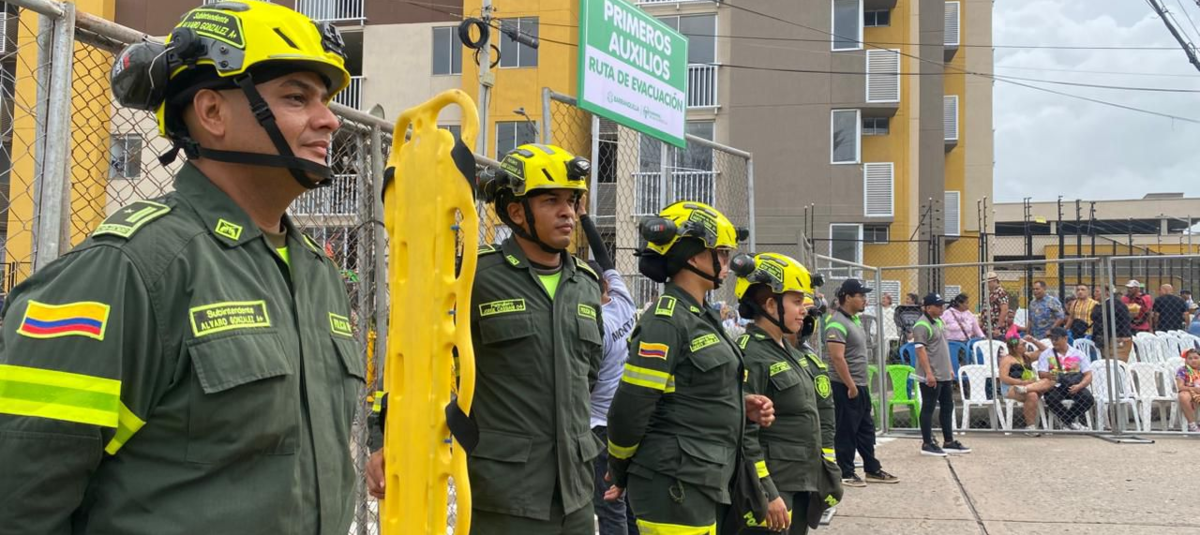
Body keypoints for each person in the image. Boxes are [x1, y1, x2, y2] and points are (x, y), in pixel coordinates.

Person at [0, 4, 362, 532]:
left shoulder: (316, 271)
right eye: (296, 97)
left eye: (324, 100)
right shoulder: (131, 269)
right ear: (212, 113)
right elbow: (20, 500)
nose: (329, 119)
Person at [604, 201, 773, 534]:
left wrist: (741, 404)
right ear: (694, 257)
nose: (727, 262)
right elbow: (632, 406)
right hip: (673, 484)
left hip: (701, 480)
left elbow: (688, 389)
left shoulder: (702, 316)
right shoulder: (666, 321)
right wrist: (619, 468)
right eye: (721, 252)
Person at [734, 253, 834, 534]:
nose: (804, 310)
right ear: (770, 304)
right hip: (773, 490)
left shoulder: (791, 353)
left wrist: (826, 472)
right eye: (797, 302)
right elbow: (744, 434)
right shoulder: (751, 354)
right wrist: (766, 492)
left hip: (798, 483)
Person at [580, 209, 640, 535]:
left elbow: (584, 383)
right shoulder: (623, 300)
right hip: (628, 421)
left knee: (609, 507)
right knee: (628, 503)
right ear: (605, 283)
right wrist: (585, 219)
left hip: (599, 426)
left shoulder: (594, 327)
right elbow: (604, 257)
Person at [824, 279, 899, 487]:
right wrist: (850, 385)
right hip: (845, 386)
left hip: (859, 384)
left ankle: (872, 469)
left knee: (866, 429)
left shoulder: (854, 320)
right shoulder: (836, 323)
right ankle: (846, 472)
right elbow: (837, 358)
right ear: (848, 297)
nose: (865, 299)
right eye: (861, 296)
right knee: (846, 430)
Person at [913, 293, 971, 456]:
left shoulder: (939, 321)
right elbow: (920, 350)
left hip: (944, 372)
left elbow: (942, 346)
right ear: (928, 307)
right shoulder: (921, 325)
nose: (941, 308)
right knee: (928, 407)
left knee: (947, 406)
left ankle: (948, 441)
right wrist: (929, 373)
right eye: (938, 306)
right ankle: (927, 443)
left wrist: (949, 368)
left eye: (942, 305)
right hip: (932, 374)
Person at [1036, 328, 1095, 431]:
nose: (1054, 342)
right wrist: (1056, 376)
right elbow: (1041, 373)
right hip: (1056, 385)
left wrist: (1079, 386)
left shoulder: (1078, 354)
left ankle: (1066, 421)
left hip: (1074, 385)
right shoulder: (1046, 354)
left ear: (1065, 338)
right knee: (1051, 398)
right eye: (1052, 339)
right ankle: (1070, 423)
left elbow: (1088, 374)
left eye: (1056, 339)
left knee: (1088, 399)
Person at [998, 336, 1054, 435]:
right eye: (1023, 344)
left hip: (1029, 385)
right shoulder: (1007, 359)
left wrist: (1033, 340)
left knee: (1050, 380)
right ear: (1015, 348)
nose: (1026, 346)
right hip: (1011, 387)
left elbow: (1046, 351)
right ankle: (1030, 427)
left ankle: (1026, 389)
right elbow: (1003, 378)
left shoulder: (1027, 356)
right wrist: (1021, 383)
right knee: (1032, 395)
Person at [1093, 286, 1134, 361]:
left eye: (1097, 291)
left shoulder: (1116, 304)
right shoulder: (1098, 305)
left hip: (1117, 337)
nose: (1095, 293)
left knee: (1117, 361)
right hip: (1103, 338)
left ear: (1107, 292)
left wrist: (1123, 335)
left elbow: (1125, 319)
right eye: (1094, 291)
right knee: (1105, 361)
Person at [1175, 348, 1200, 433]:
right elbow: (1180, 387)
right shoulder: (1183, 370)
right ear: (1186, 360)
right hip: (1189, 390)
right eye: (1190, 358)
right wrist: (1194, 389)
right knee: (1183, 396)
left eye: (1196, 358)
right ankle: (1193, 425)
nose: (1193, 360)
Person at [985, 272, 1011, 339]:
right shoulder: (990, 294)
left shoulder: (1001, 292)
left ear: (995, 281)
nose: (987, 284)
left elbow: (1004, 310)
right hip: (990, 327)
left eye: (989, 282)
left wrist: (998, 327)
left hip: (997, 328)